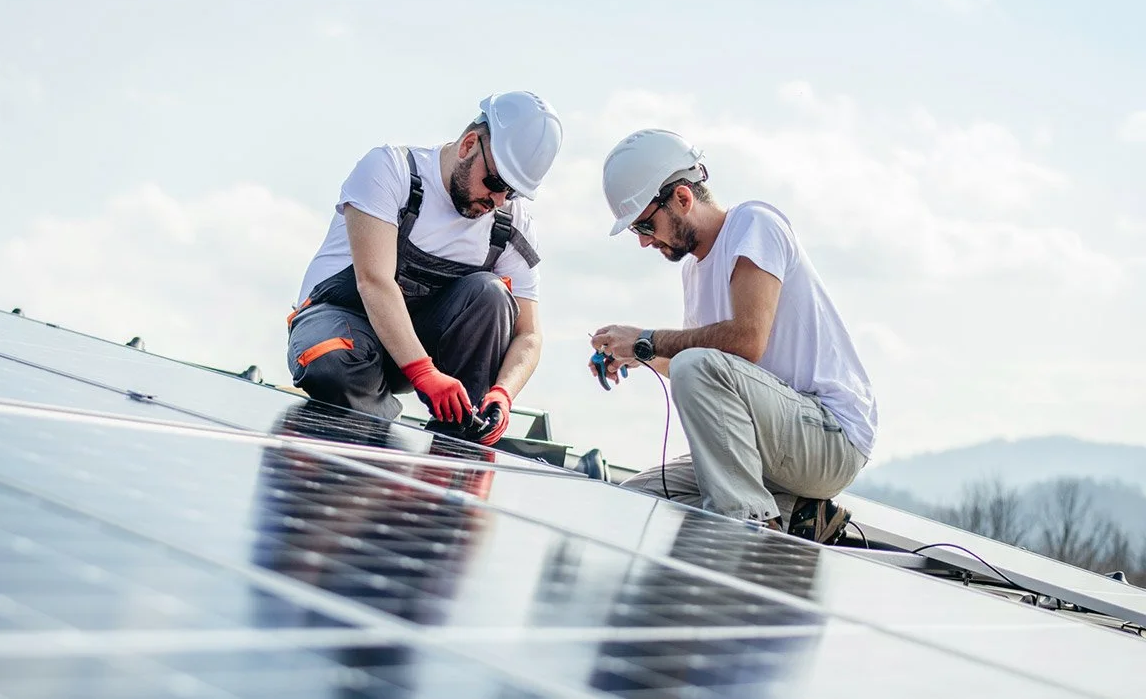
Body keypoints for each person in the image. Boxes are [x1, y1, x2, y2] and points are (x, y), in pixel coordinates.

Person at [589, 129, 877, 544]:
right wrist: (640, 355)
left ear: (683, 199)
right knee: (639, 498)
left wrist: (646, 337)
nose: (643, 241)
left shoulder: (753, 225)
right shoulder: (693, 271)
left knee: (696, 363)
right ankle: (795, 513)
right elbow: (703, 373)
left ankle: (750, 527)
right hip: (772, 443)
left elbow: (746, 341)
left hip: (830, 439)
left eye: (645, 224)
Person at [287, 91, 563, 446]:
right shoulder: (391, 170)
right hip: (344, 325)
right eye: (495, 183)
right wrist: (424, 373)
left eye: (511, 193)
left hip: (420, 348)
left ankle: (459, 435)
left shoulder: (510, 225)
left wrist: (503, 393)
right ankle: (374, 427)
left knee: (492, 295)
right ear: (468, 145)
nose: (497, 200)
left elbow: (529, 335)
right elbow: (374, 282)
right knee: (330, 359)